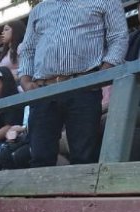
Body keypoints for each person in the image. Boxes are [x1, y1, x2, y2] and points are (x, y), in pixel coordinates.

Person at [19, 0, 127, 167]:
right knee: (40, 156)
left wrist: (104, 72)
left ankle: (81, 194)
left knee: (84, 156)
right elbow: (28, 48)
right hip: (43, 89)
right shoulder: (39, 9)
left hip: (84, 86)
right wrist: (25, 80)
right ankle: (42, 194)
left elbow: (118, 37)